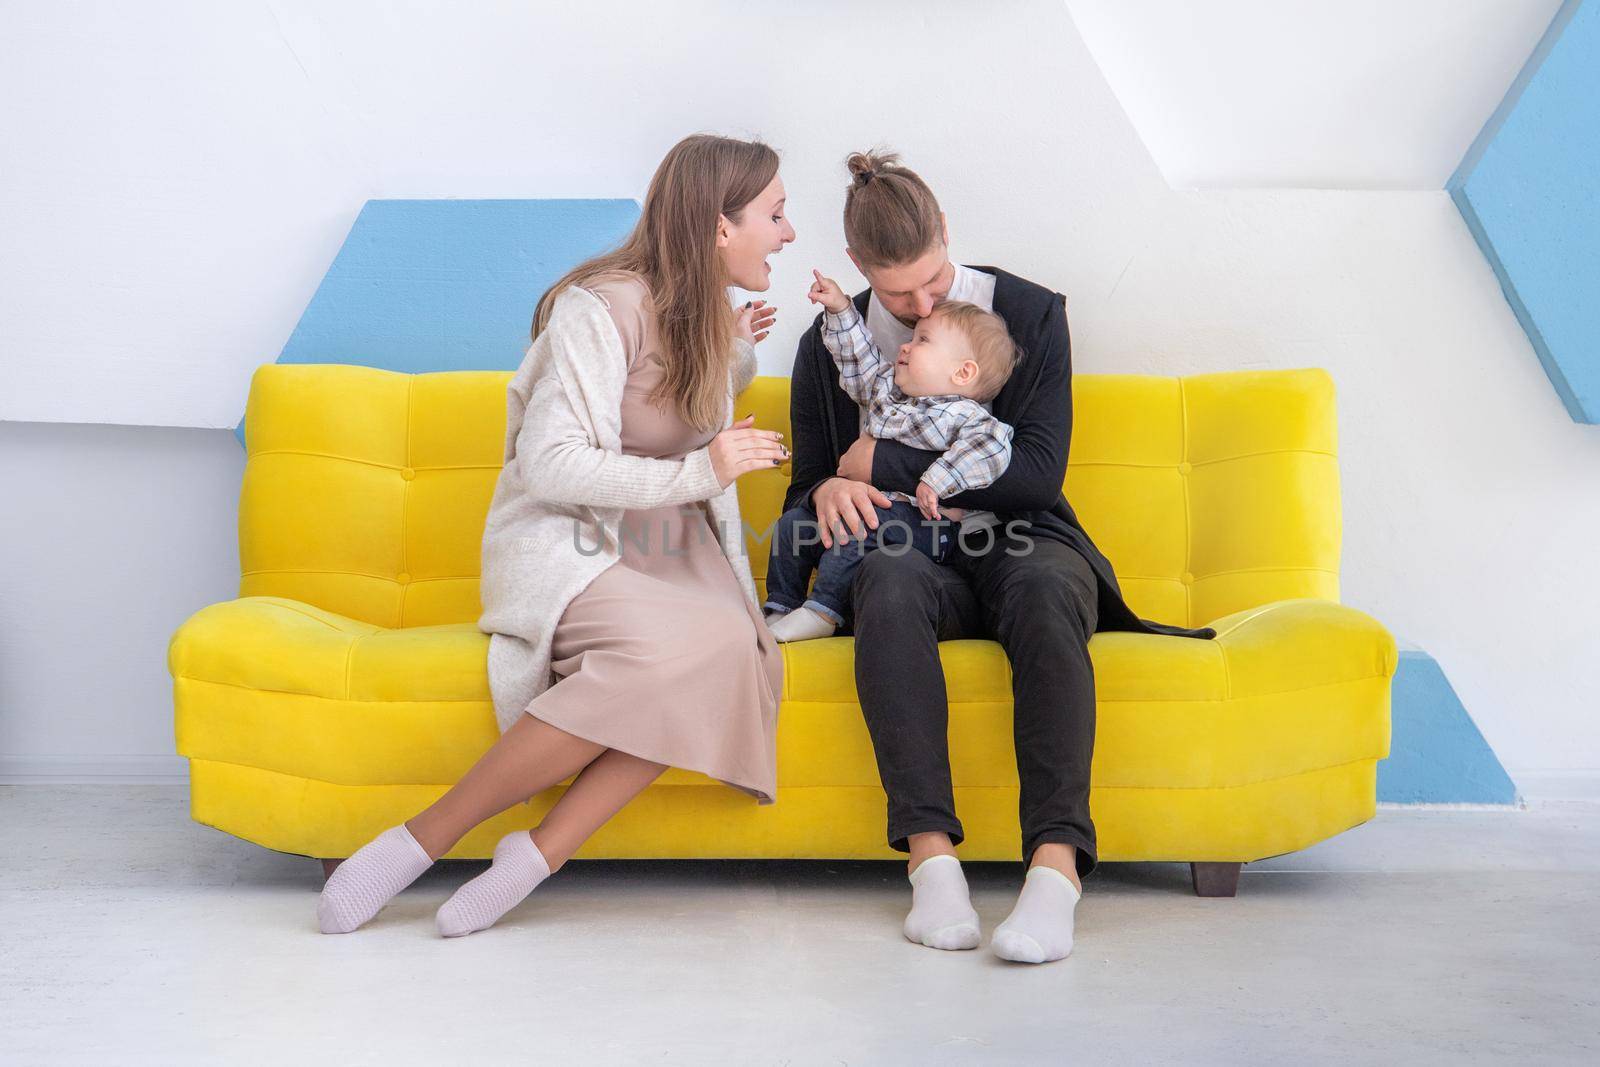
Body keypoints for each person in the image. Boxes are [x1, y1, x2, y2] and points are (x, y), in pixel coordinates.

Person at [317, 133, 796, 937]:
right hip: (575, 535)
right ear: (721, 226)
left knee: (727, 648)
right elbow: (552, 464)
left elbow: (674, 402)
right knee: (661, 660)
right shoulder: (596, 311)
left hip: (674, 545)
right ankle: (419, 842)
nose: (785, 233)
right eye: (776, 215)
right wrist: (706, 469)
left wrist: (737, 351)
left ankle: (537, 853)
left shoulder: (707, 315)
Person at [783, 149, 1215, 963]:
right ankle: (931, 866)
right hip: (909, 550)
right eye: (898, 291)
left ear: (947, 234)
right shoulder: (829, 346)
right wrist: (824, 494)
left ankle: (1055, 874)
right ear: (857, 267)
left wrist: (873, 464)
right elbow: (810, 480)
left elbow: (1035, 472)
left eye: (934, 284)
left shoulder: (1031, 313)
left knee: (1049, 585)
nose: (918, 308)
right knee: (885, 580)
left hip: (1022, 537)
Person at [763, 268, 1019, 643]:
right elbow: (861, 361)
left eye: (922, 341)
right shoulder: (891, 393)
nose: (905, 346)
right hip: (877, 508)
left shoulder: (965, 415)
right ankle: (779, 607)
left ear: (963, 372)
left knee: (858, 528)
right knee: (793, 526)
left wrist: (937, 479)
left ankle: (823, 611)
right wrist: (839, 310)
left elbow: (994, 447)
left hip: (930, 527)